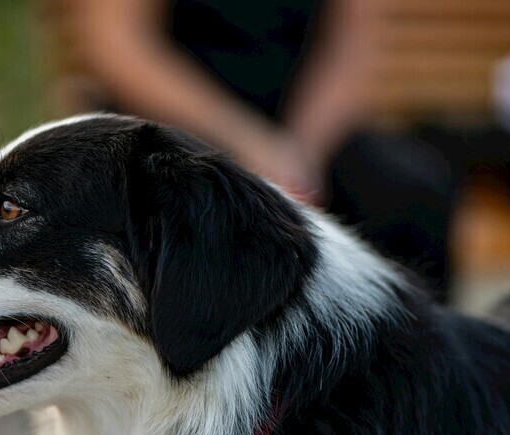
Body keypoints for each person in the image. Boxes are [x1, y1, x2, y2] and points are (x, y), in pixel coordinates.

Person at [66, 0, 457, 298]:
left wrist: (302, 152)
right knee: (184, 206)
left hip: (304, 131)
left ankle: (412, 380)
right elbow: (119, 45)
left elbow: (351, 48)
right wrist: (243, 141)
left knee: (413, 192)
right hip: (170, 124)